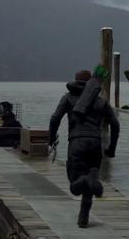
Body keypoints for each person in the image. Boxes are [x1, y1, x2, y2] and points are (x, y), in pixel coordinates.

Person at [48, 67, 120, 227]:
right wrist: (112, 149)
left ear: (75, 81)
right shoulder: (101, 102)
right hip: (96, 144)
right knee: (90, 182)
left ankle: (87, 179)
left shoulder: (68, 98)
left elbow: (54, 119)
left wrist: (51, 139)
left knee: (75, 185)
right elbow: (115, 125)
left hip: (77, 143)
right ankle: (83, 219)